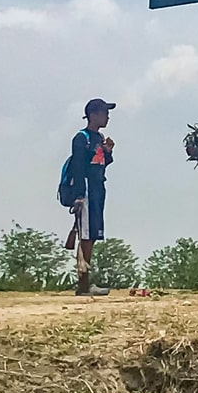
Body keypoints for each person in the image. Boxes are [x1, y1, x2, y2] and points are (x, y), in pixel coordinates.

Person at [68, 98, 116, 296]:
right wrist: (79, 196)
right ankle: (83, 284)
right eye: (105, 112)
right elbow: (79, 167)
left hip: (98, 190)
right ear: (94, 114)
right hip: (86, 191)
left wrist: (108, 152)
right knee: (85, 236)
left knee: (92, 235)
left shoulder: (99, 138)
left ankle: (86, 281)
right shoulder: (81, 138)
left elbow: (101, 164)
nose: (108, 116)